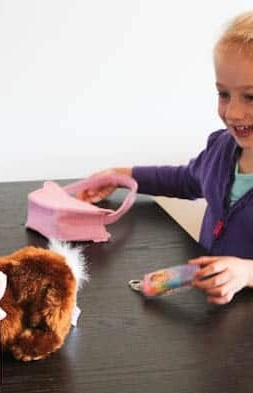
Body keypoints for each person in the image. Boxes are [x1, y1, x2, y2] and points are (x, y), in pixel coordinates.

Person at [78, 11, 253, 305]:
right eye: (224, 94)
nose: (233, 113)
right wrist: (121, 175)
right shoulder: (221, 150)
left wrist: (247, 272)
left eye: (250, 97)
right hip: (214, 313)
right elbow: (184, 180)